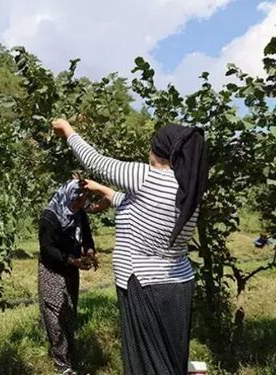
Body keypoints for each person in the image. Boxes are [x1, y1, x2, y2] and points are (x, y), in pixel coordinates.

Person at [51, 118, 209, 375]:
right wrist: (107, 193)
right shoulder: (187, 188)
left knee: (146, 363)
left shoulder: (146, 176)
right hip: (177, 283)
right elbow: (145, 206)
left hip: (144, 284)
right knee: (168, 358)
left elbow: (95, 162)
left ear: (158, 150)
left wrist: (68, 131)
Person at [38, 178, 99, 375]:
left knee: (69, 313)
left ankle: (71, 357)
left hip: (71, 270)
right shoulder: (50, 217)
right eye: (81, 199)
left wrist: (90, 252)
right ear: (71, 197)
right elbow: (47, 249)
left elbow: (87, 237)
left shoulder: (78, 213)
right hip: (52, 270)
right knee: (54, 315)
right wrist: (72, 260)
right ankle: (62, 363)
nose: (84, 203)